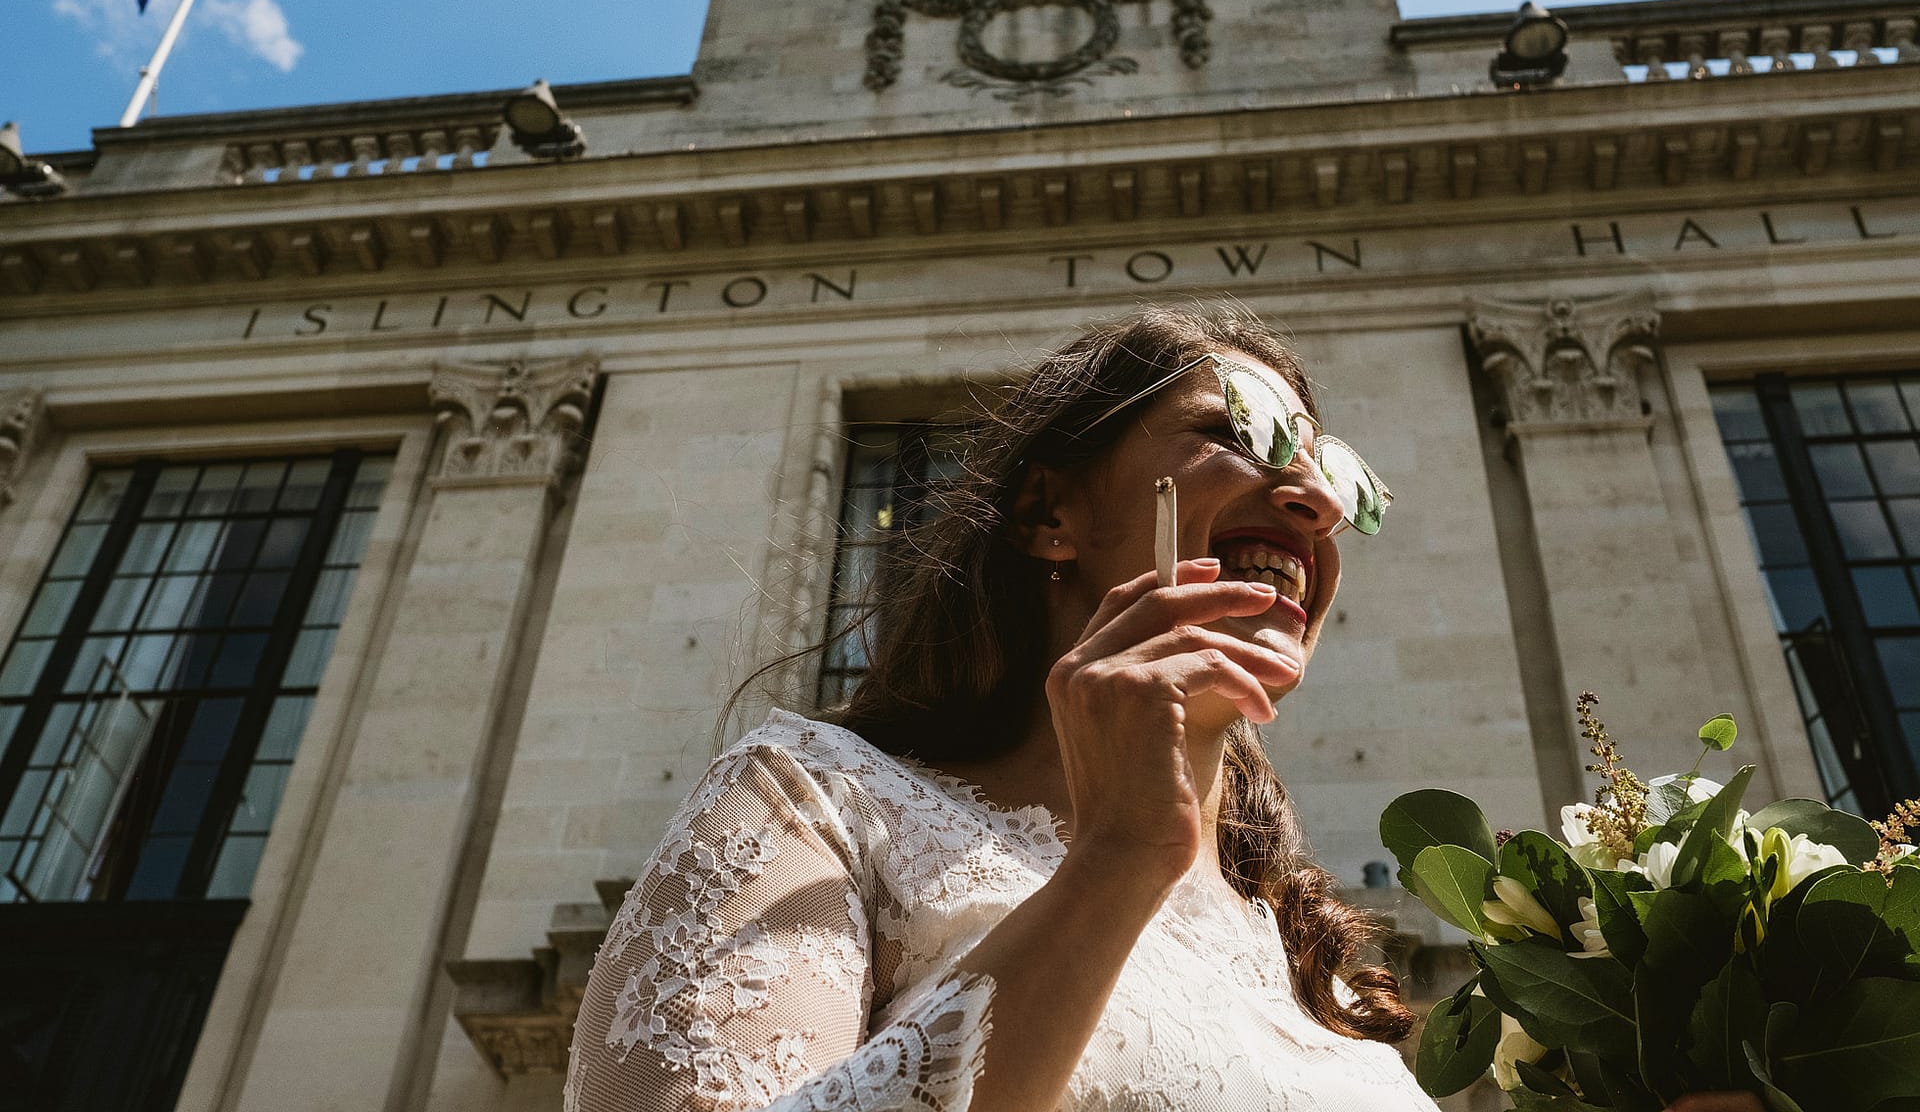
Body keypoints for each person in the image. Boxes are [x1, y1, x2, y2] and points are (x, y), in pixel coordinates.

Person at [562, 307, 1763, 1112]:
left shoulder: (1305, 961)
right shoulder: (810, 797)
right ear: (1049, 514)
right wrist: (1116, 861)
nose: (1312, 500)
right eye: (1246, 439)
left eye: (1334, 472)